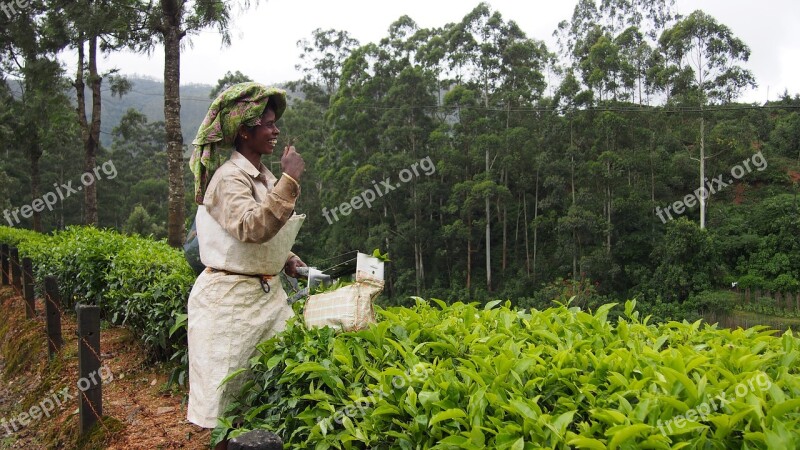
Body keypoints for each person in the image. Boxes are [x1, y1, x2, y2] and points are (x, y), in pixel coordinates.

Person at [186, 82, 306, 449]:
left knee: (266, 387)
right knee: (224, 404)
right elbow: (250, 226)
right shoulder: (228, 178)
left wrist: (284, 257)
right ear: (244, 131)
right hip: (229, 303)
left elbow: (250, 239)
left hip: (264, 298)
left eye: (275, 123)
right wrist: (290, 180)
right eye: (268, 124)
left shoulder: (262, 176)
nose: (276, 130)